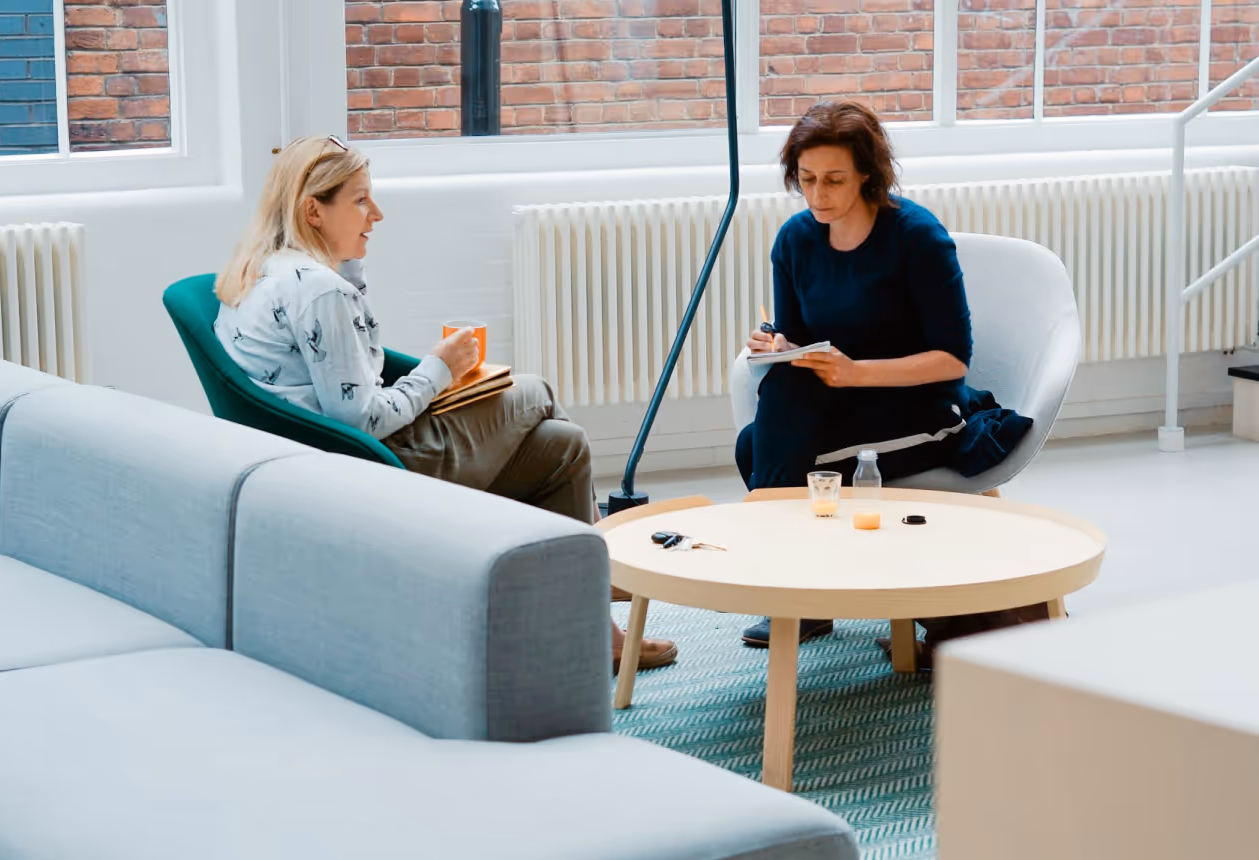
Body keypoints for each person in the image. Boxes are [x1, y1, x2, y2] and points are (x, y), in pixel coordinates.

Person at [214, 134, 676, 673]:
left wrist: (357, 279)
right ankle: (602, 569)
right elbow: (358, 417)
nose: (377, 213)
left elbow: (349, 377)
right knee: (536, 390)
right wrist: (439, 369)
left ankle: (593, 627)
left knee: (563, 446)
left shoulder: (271, 270)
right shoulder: (321, 292)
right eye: (361, 199)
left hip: (326, 460)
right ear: (313, 209)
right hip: (374, 465)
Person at [735, 102, 1047, 663]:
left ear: (867, 175)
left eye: (834, 179)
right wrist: (779, 347)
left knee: (762, 446)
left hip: (921, 409)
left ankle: (791, 581)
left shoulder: (916, 237)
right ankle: (801, 581)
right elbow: (800, 338)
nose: (818, 194)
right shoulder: (795, 241)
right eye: (806, 179)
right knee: (756, 435)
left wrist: (857, 373)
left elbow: (953, 359)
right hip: (841, 406)